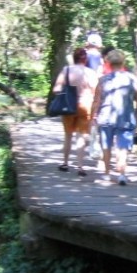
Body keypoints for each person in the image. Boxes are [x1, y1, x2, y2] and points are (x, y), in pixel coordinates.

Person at [91, 49, 137, 186]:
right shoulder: (132, 79)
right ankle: (122, 174)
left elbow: (96, 101)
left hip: (105, 117)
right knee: (123, 147)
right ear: (123, 62)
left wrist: (92, 116)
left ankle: (107, 174)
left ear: (108, 62)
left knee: (106, 145)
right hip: (126, 117)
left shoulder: (102, 80)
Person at [51, 47, 100, 176]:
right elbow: (97, 93)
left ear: (74, 58)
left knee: (68, 135)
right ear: (86, 59)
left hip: (69, 105)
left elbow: (56, 89)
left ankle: (65, 163)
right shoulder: (91, 73)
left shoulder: (66, 70)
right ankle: (80, 167)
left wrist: (65, 92)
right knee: (82, 136)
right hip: (86, 105)